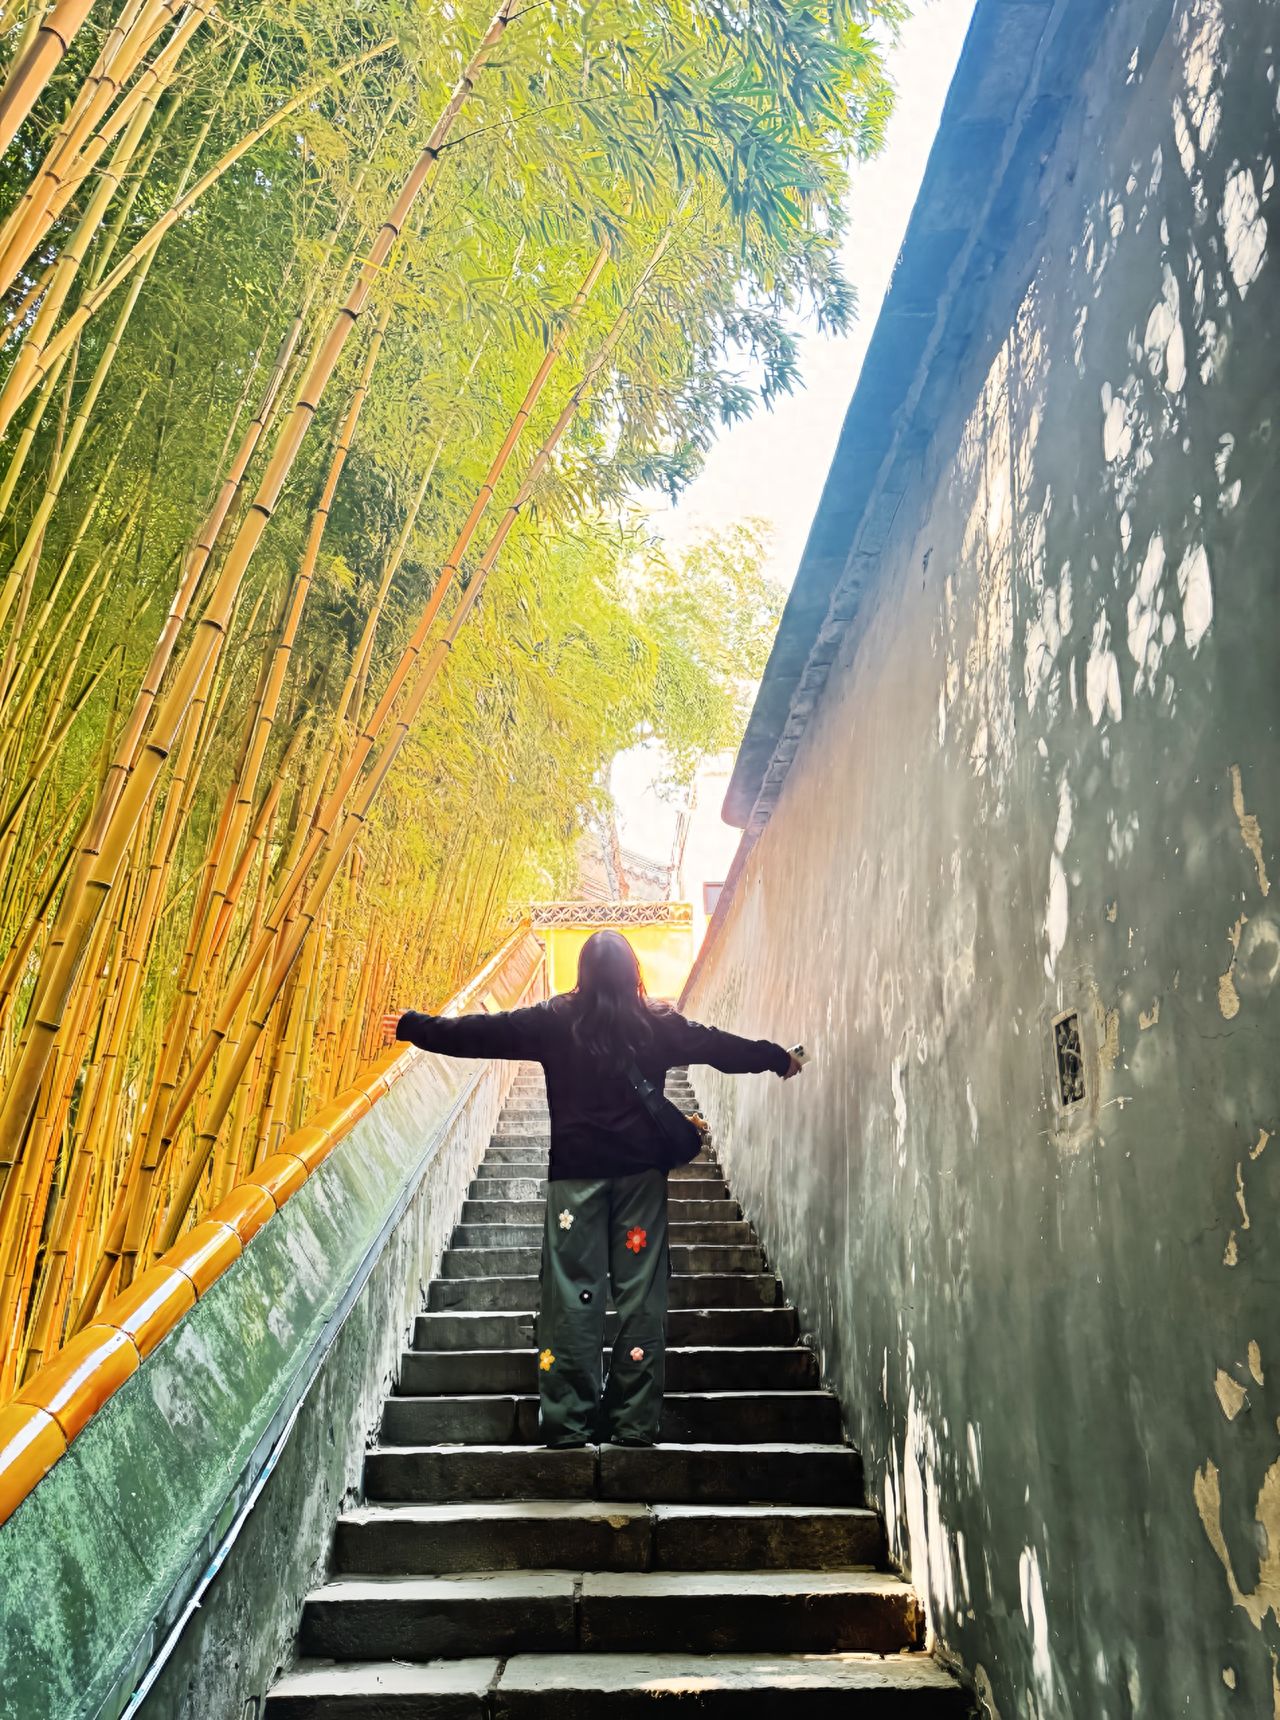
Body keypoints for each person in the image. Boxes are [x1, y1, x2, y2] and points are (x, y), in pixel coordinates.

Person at [383, 929, 802, 1449]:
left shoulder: (555, 1020)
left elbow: (483, 1033)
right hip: (639, 1181)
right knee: (640, 1296)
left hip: (574, 1182)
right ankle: (632, 1423)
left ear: (582, 973)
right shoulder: (657, 1024)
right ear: (633, 974)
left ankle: (568, 1421)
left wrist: (413, 1026)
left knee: (571, 1298)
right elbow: (719, 1046)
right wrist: (777, 1057)